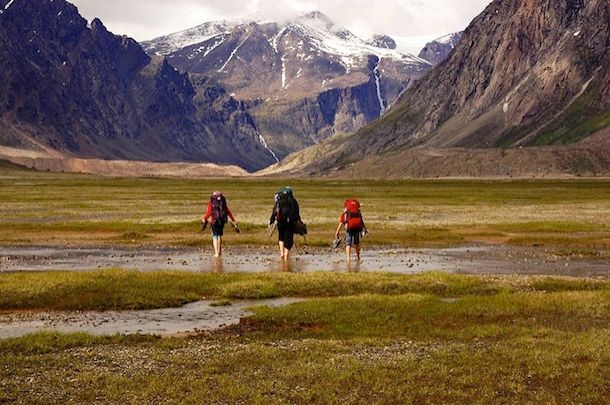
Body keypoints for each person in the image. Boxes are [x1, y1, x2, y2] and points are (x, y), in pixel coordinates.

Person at [201, 191, 239, 257]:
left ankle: (216, 253)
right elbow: (228, 212)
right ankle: (219, 252)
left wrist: (204, 219)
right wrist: (233, 220)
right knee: (219, 236)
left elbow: (209, 213)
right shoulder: (223, 203)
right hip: (222, 221)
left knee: (215, 236)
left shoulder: (211, 202)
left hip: (214, 221)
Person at [269, 186, 300, 261]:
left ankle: (281, 253)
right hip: (290, 222)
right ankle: (286, 256)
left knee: (281, 236)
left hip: (280, 221)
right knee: (288, 238)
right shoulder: (293, 201)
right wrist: (298, 221)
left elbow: (274, 211)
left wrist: (271, 221)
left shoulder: (279, 201)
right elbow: (297, 213)